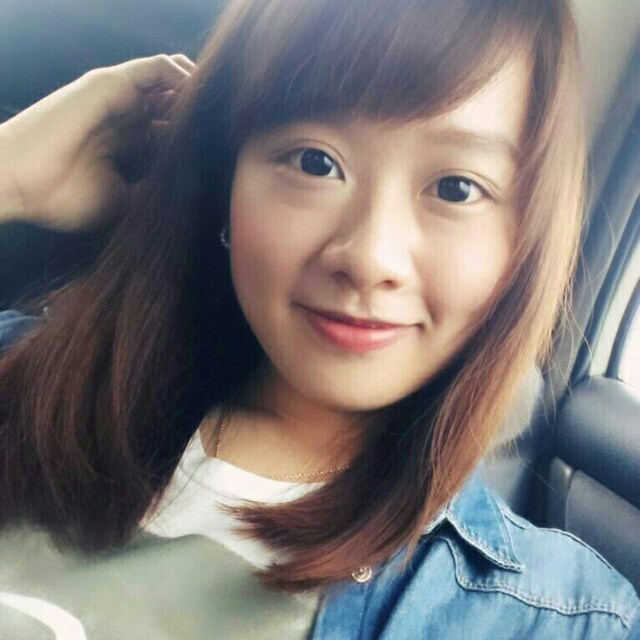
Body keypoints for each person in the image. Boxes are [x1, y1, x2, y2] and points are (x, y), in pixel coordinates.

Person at [0, 0, 638, 638]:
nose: (369, 259)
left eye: (456, 188)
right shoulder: (25, 390)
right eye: (314, 162)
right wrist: (11, 177)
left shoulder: (555, 620)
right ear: (227, 184)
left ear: (524, 241)